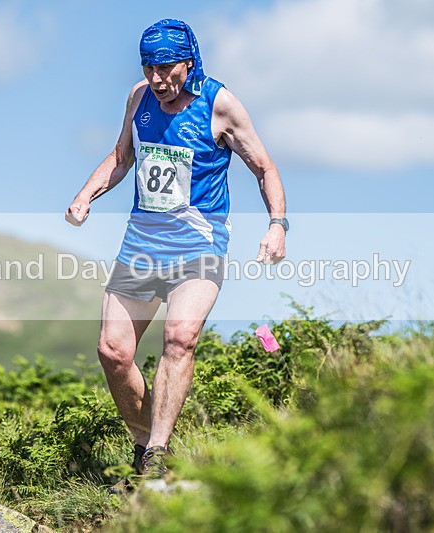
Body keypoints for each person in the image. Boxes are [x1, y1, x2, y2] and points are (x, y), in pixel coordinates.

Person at [65, 18, 288, 480]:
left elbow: (264, 167)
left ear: (189, 61)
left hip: (198, 246)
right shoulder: (138, 98)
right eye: (149, 68)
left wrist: (277, 225)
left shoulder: (220, 105)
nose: (157, 79)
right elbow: (121, 156)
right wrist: (85, 196)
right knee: (112, 351)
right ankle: (144, 444)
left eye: (166, 68)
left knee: (179, 339)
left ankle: (157, 456)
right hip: (142, 246)